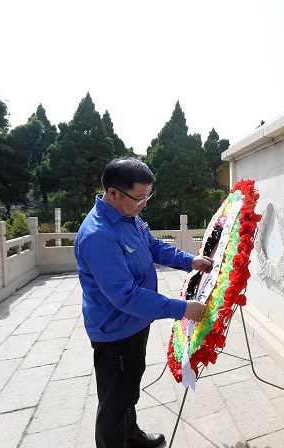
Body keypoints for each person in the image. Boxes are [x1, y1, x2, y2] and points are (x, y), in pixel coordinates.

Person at [74, 157, 212, 448]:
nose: (144, 204)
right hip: (115, 329)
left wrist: (191, 261)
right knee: (114, 401)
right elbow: (125, 295)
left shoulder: (127, 216)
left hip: (135, 321)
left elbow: (153, 246)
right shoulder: (99, 235)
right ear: (113, 193)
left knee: (128, 387)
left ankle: (132, 436)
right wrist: (182, 309)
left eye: (147, 196)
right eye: (139, 198)